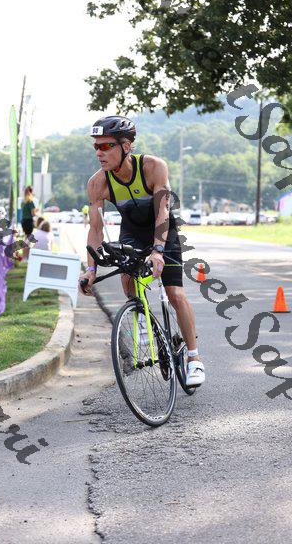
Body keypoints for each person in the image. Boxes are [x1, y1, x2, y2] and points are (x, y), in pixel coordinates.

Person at [78, 116, 205, 386]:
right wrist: (91, 269)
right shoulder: (97, 183)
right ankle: (143, 316)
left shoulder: (153, 167)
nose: (99, 153)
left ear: (126, 146)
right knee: (128, 279)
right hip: (132, 232)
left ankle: (194, 359)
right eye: (96, 147)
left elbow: (163, 211)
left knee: (175, 293)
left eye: (106, 146)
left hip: (163, 230)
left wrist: (158, 251)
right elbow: (96, 230)